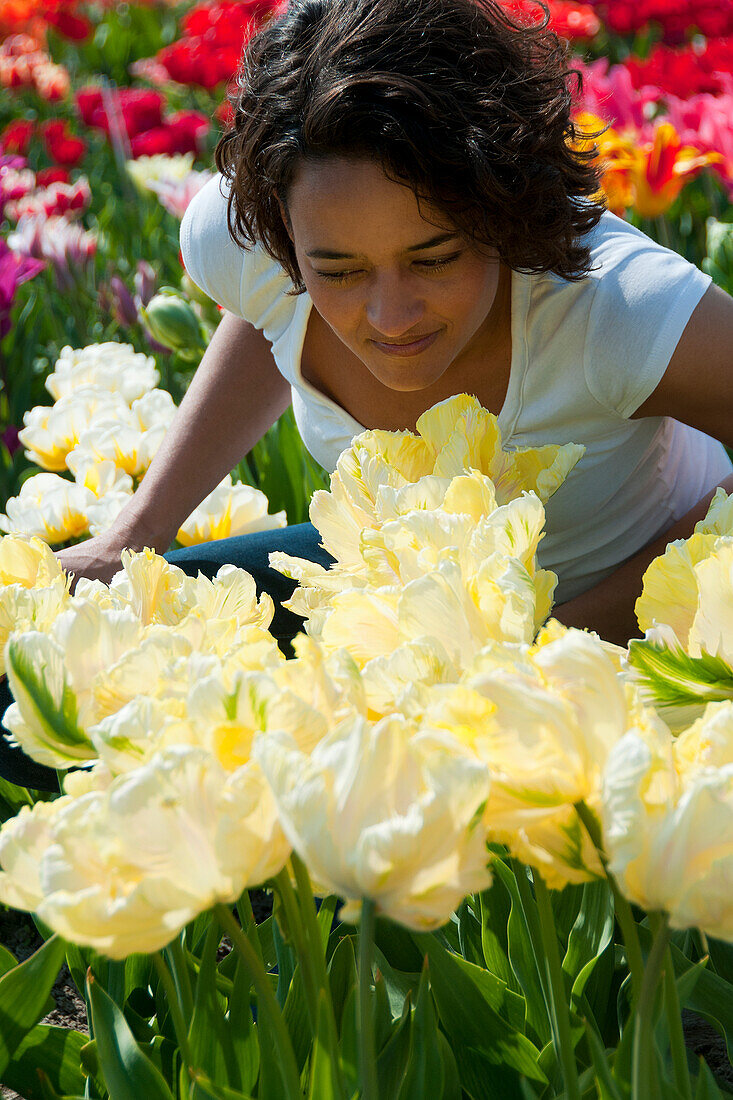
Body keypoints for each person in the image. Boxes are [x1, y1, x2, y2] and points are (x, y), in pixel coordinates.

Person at [4, 0, 733, 791]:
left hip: (629, 637)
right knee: (38, 673)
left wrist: (567, 643)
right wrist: (131, 537)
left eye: (433, 257)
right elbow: (265, 318)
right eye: (339, 271)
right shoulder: (246, 237)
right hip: (393, 605)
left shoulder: (617, 308)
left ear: (499, 207)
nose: (388, 318)